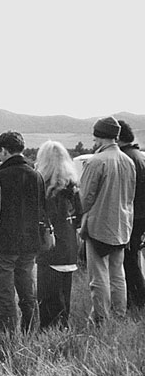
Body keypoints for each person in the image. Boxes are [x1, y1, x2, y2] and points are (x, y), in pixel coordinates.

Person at [0, 131, 45, 335]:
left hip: (3, 248)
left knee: (5, 299)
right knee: (28, 295)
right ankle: (30, 335)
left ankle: (8, 340)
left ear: (4, 150)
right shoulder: (36, 175)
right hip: (29, 246)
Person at [80, 117, 136, 324]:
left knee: (99, 277)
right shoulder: (128, 161)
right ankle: (119, 315)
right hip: (122, 225)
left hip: (98, 227)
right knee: (117, 274)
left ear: (99, 136)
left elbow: (85, 198)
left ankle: (101, 319)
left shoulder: (96, 161)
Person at [35, 141, 82, 330]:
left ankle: (49, 337)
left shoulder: (44, 189)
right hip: (70, 248)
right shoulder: (73, 188)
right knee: (64, 299)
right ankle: (63, 333)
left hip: (50, 250)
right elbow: (79, 217)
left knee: (47, 301)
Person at [118, 120, 145, 309]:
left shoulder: (125, 158)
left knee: (129, 260)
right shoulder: (139, 156)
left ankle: (136, 298)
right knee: (135, 257)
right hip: (141, 214)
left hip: (132, 215)